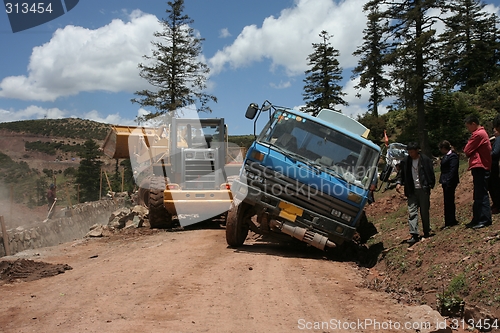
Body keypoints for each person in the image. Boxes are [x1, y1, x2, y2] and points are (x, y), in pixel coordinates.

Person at [395, 142, 436, 244]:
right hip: (411, 190)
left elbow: (430, 172)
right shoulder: (406, 161)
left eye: (412, 151)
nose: (410, 154)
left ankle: (426, 231)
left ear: (417, 150)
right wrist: (399, 183)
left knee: (424, 211)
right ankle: (414, 234)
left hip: (423, 189)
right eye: (409, 152)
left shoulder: (425, 160)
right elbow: (401, 174)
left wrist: (430, 184)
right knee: (412, 211)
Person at [464, 115, 492, 229]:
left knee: (481, 194)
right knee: (478, 194)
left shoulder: (478, 134)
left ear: (473, 124)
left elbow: (466, 150)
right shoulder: (480, 134)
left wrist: (470, 150)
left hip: (481, 167)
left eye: (468, 126)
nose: (468, 129)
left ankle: (485, 219)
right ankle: (477, 218)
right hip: (479, 167)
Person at [438, 140, 459, 229]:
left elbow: (453, 169)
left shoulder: (452, 156)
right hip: (445, 181)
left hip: (450, 181)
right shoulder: (446, 156)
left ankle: (451, 221)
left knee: (449, 201)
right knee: (447, 201)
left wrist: (448, 180)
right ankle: (449, 220)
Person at [488, 115, 500, 214]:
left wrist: (488, 155)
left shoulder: (499, 139)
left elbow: (496, 153)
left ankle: (497, 205)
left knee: (494, 187)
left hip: (495, 167)